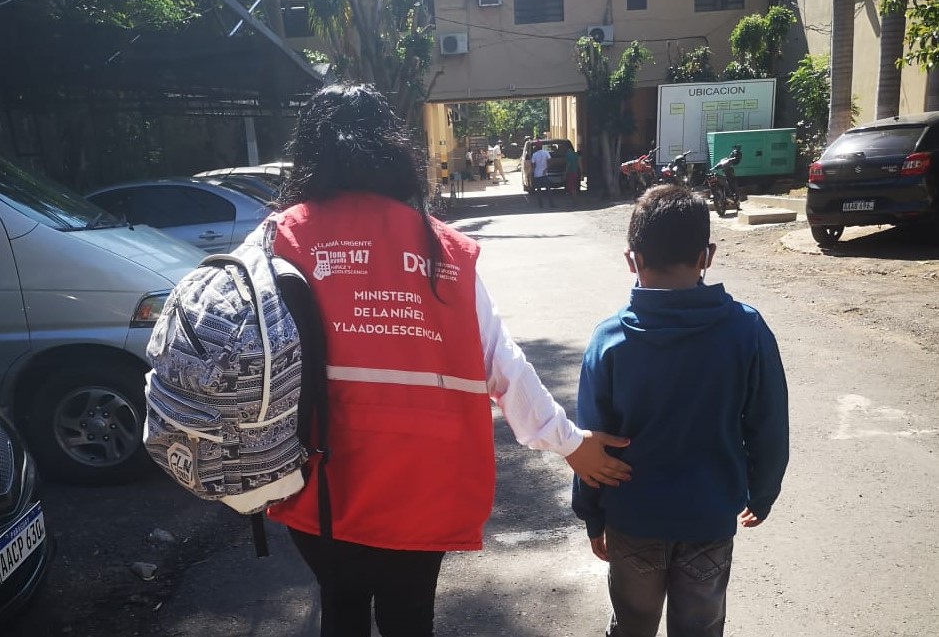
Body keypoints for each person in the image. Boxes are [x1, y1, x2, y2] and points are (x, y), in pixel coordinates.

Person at [266, 83, 632, 637]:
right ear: (393, 150)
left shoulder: (281, 237)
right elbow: (501, 362)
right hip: (426, 487)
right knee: (408, 616)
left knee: (340, 604)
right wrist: (570, 444)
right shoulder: (445, 251)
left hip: (318, 485)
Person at [573, 184, 789, 637]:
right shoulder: (745, 330)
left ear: (631, 259)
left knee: (632, 625)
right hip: (708, 519)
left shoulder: (608, 341)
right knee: (701, 627)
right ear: (706, 255)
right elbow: (769, 427)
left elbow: (591, 443)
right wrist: (761, 493)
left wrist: (592, 513)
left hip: (633, 520)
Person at [530, 142, 554, 208]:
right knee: (548, 189)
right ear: (541, 147)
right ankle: (551, 204)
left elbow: (533, 165)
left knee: (539, 190)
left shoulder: (534, 155)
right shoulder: (546, 153)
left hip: (537, 175)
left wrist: (533, 170)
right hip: (545, 174)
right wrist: (546, 168)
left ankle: (541, 205)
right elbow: (550, 161)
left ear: (536, 147)